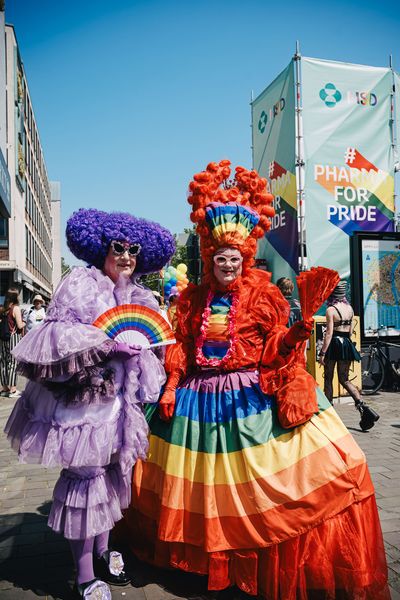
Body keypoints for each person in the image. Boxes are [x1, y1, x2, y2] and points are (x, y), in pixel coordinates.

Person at [121, 161, 389, 600]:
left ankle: (254, 559)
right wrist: (171, 382)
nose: (227, 265)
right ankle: (202, 562)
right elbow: (183, 346)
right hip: (197, 401)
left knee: (285, 481)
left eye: (235, 258)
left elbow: (275, 350)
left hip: (250, 397)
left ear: (245, 259)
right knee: (200, 488)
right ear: (210, 259)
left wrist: (300, 332)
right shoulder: (191, 300)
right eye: (220, 258)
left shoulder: (264, 296)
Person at [4, 209, 175, 599]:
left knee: (114, 475)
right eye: (119, 248)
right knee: (86, 480)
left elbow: (152, 346)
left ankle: (103, 551)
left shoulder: (139, 295)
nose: (127, 256)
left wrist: (142, 352)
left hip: (121, 404)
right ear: (103, 248)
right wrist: (109, 344)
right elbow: (58, 336)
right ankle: (83, 575)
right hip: (85, 405)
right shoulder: (81, 284)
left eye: (134, 250)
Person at [318, 281, 380, 431]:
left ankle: (329, 414)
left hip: (333, 345)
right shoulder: (350, 309)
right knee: (344, 379)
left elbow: (329, 334)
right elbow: (350, 331)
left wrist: (322, 353)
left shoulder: (331, 310)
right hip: (346, 344)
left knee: (328, 378)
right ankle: (364, 408)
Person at [0, 288, 25, 398]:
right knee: (13, 363)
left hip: (2, 338)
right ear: (15, 297)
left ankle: (5, 388)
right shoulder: (16, 308)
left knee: (3, 363)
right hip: (13, 337)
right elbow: (19, 325)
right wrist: (25, 322)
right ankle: (13, 389)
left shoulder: (3, 309)